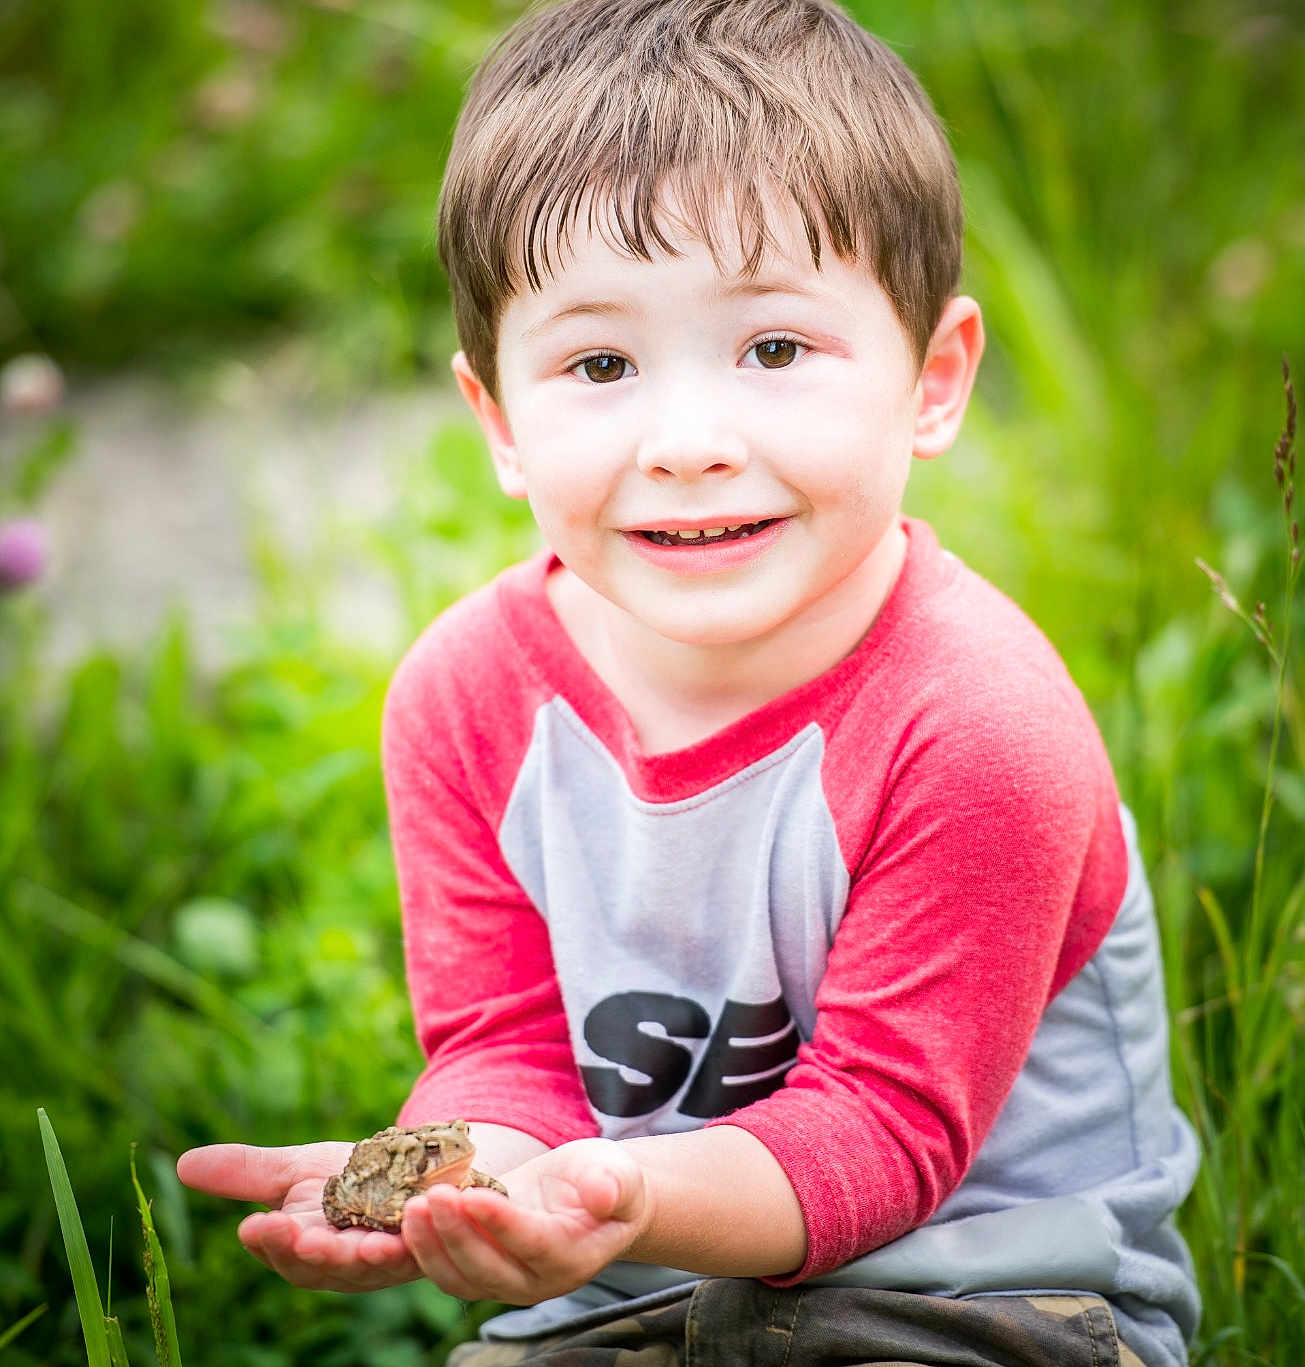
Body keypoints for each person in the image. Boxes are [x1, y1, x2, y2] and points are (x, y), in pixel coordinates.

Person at [178, 1, 1201, 1363]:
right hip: (617, 1294)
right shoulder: (467, 700)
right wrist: (474, 1179)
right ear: (499, 422)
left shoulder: (975, 721)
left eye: (774, 349)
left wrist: (621, 1198)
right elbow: (509, 1046)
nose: (688, 442)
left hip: (980, 1301)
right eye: (600, 364)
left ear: (934, 381)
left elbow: (885, 1129)